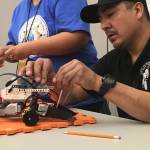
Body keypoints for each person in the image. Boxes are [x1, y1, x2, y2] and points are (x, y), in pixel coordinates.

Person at [22, 0, 150, 122]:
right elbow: (70, 96)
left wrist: (98, 83)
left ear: (138, 10)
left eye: (110, 14)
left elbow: (95, 82)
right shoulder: (114, 59)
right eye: (101, 19)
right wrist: (50, 80)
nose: (103, 26)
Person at [0, 0, 103, 112]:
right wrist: (7, 52)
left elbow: (77, 37)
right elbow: (16, 46)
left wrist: (26, 48)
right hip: (38, 103)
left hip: (79, 102)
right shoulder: (19, 8)